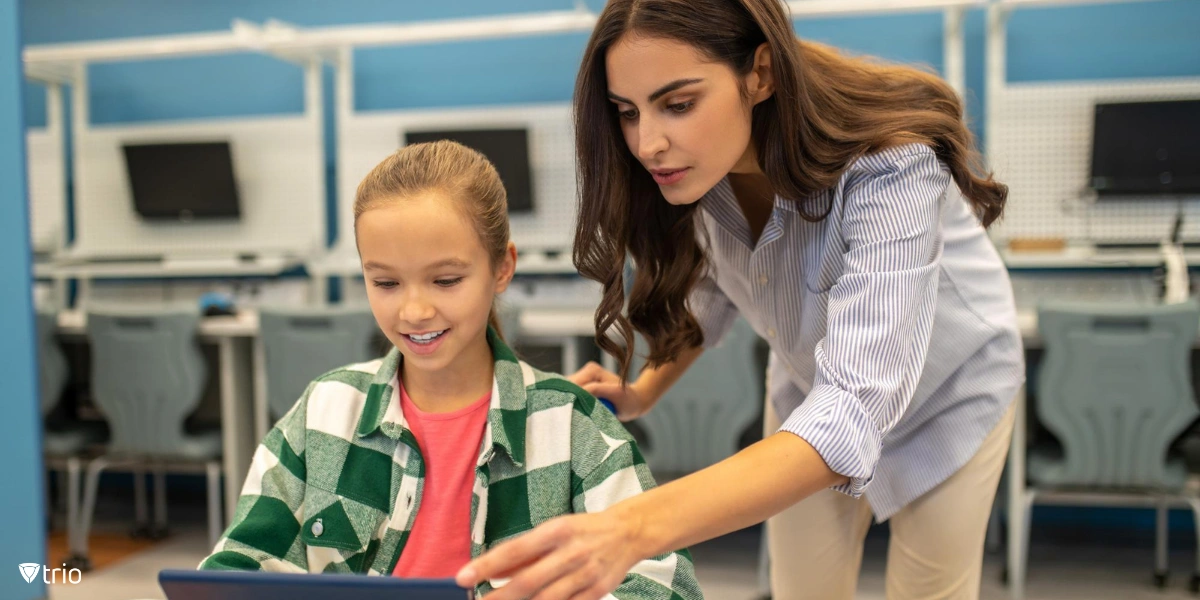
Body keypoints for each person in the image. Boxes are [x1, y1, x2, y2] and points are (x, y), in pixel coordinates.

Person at [456, 1, 1024, 599]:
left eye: (678, 104)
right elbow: (713, 286)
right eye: (627, 112)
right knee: (803, 588)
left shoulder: (892, 168)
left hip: (950, 394)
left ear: (760, 73)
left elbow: (855, 406)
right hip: (812, 388)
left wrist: (628, 528)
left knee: (928, 590)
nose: (648, 143)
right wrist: (645, 389)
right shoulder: (705, 169)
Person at [198, 140, 703, 600]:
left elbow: (666, 586)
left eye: (445, 280)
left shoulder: (574, 427)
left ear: (502, 267)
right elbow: (239, 562)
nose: (414, 311)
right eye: (386, 283)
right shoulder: (323, 411)